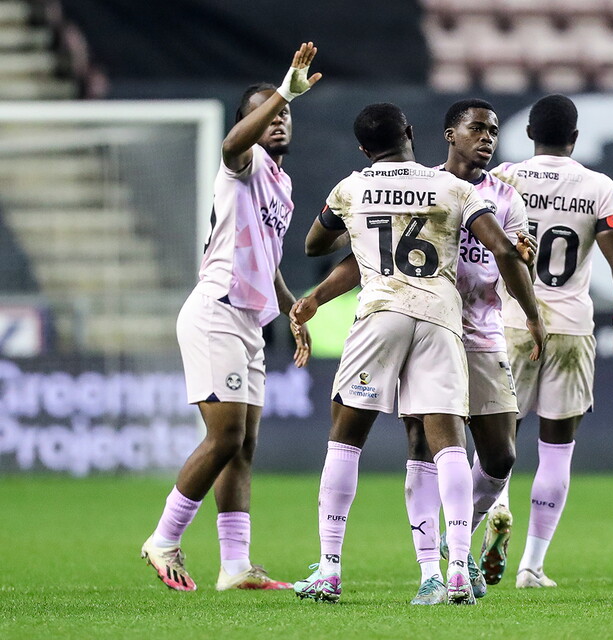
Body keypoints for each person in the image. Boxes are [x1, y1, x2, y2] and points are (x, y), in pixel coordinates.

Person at [290, 103, 544, 605]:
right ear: (415, 132)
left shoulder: (351, 187)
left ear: (363, 148)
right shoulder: (450, 188)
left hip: (388, 313)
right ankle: (451, 571)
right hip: (439, 317)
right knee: (445, 445)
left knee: (346, 439)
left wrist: (354, 221)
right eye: (478, 128)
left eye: (492, 131)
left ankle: (330, 569)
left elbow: (317, 245)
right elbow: (502, 249)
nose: (487, 137)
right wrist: (534, 316)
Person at [140, 43, 319, 591]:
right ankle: (164, 538)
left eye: (284, 114)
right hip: (215, 310)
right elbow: (230, 144)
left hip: (249, 321)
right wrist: (283, 91)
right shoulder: (244, 164)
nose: (279, 119)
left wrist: (292, 307)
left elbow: (267, 257)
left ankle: (236, 565)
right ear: (251, 123)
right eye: (267, 114)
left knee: (243, 446)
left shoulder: (282, 184)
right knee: (225, 437)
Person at [489, 94, 613, 589]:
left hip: (512, 322)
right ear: (575, 138)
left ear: (529, 134)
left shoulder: (504, 178)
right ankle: (532, 565)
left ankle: (495, 510)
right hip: (571, 327)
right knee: (557, 449)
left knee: (498, 438)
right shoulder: (597, 187)